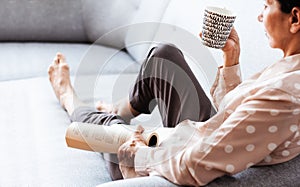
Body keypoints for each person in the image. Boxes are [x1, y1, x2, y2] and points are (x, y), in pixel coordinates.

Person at [48, 0, 300, 186]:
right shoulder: (290, 68)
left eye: (267, 6)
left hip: (187, 153)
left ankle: (69, 99)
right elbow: (235, 116)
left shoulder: (284, 97)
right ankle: (122, 110)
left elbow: (196, 163)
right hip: (206, 133)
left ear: (295, 19)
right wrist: (231, 59)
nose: (259, 16)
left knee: (109, 131)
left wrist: (141, 154)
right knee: (164, 56)